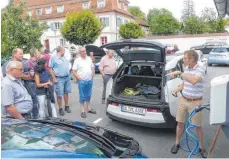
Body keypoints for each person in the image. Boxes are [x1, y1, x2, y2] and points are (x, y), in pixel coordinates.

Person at [170, 50, 207, 158]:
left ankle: (201, 147)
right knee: (180, 123)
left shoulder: (201, 68)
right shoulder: (187, 68)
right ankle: (177, 143)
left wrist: (179, 73)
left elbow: (194, 80)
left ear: (191, 59)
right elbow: (184, 83)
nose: (183, 60)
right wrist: (177, 89)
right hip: (183, 100)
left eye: (185, 58)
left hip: (195, 102)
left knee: (198, 126)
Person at [72, 47, 96, 118]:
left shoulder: (89, 59)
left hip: (89, 80)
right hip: (82, 81)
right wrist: (79, 78)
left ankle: (89, 109)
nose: (84, 52)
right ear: (80, 53)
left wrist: (92, 73)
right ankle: (82, 111)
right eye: (82, 51)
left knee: (88, 95)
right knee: (82, 96)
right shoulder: (77, 60)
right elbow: (73, 71)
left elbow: (92, 67)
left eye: (85, 51)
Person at [48, 46, 71, 116]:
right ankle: (60, 108)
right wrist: (54, 78)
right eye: (64, 50)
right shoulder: (53, 58)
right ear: (60, 50)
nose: (65, 51)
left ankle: (66, 106)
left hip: (67, 77)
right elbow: (49, 68)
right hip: (59, 78)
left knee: (66, 92)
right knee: (59, 94)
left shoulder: (64, 57)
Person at [23, 48, 41, 119]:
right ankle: (35, 118)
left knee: (38, 101)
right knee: (34, 100)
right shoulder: (27, 62)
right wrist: (32, 73)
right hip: (31, 83)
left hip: (37, 83)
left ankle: (37, 115)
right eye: (38, 52)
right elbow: (28, 74)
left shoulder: (37, 62)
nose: (39, 54)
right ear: (34, 54)